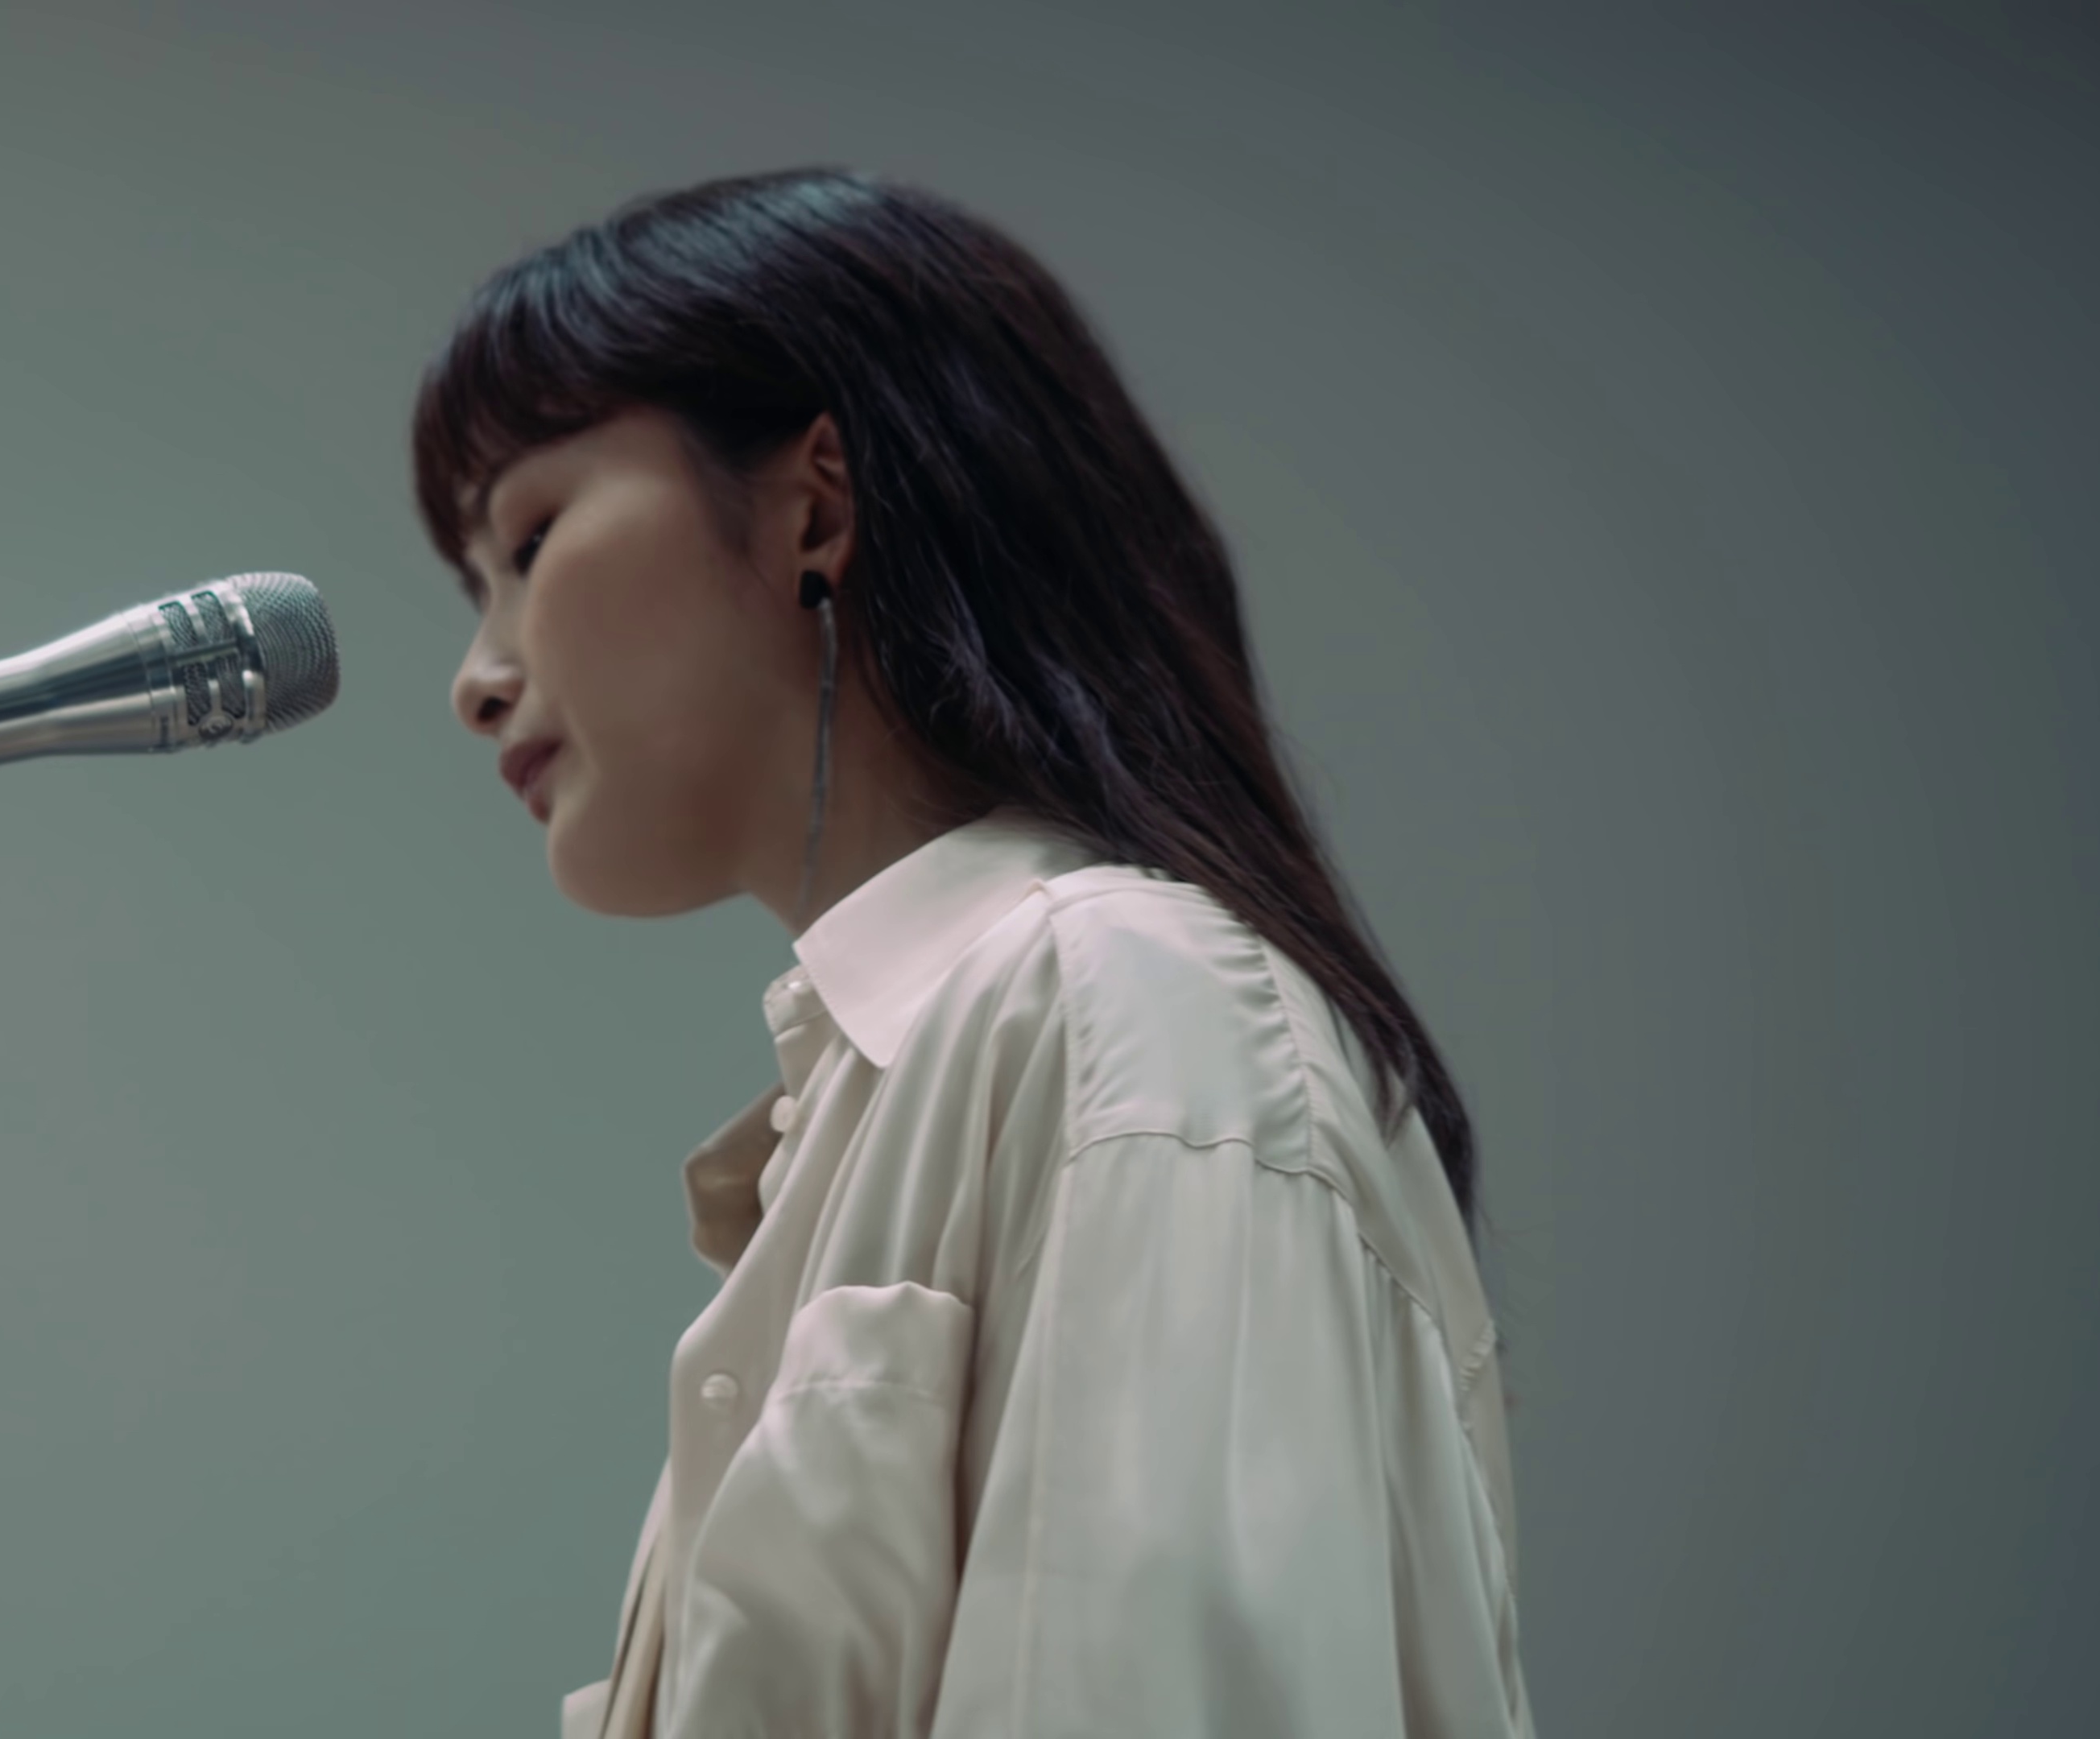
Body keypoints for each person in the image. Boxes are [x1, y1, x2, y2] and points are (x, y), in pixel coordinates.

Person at [420, 167, 1531, 1739]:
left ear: (815, 505)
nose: (475, 679)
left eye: (530, 541)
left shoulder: (1131, 1005)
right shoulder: (905, 1092)